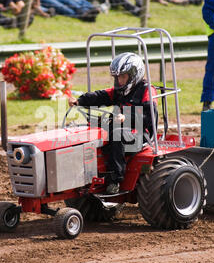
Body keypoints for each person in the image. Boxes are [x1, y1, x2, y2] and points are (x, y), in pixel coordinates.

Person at [68, 52, 162, 195]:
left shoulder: (147, 90)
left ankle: (115, 180)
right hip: (121, 128)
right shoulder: (119, 91)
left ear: (133, 75)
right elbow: (100, 96)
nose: (119, 80)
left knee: (116, 135)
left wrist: (127, 118)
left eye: (123, 77)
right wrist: (80, 101)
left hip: (141, 134)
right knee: (91, 128)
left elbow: (150, 117)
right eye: (117, 77)